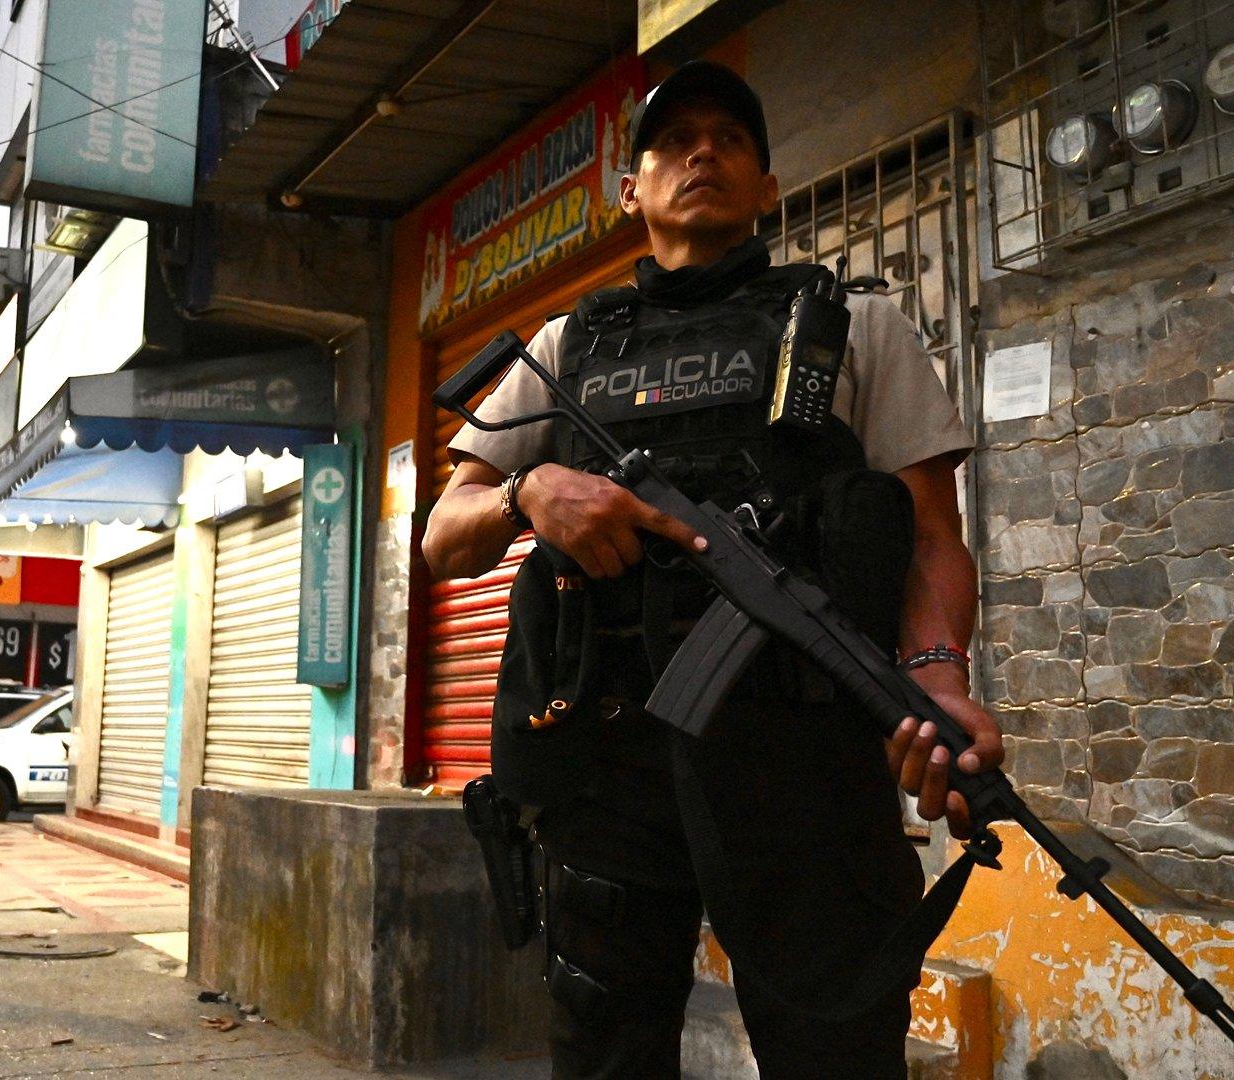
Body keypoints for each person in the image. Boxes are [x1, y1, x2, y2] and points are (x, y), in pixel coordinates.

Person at [421, 62, 1003, 1077]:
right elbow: (443, 534)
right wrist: (529, 493)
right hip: (608, 762)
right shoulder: (570, 344)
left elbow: (928, 536)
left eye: (731, 140)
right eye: (674, 141)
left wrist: (940, 675)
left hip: (804, 755)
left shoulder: (853, 328)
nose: (703, 154)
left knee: (836, 1049)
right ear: (631, 191)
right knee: (606, 1051)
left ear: (769, 189)